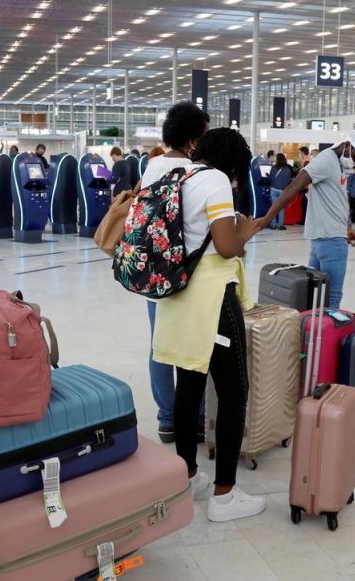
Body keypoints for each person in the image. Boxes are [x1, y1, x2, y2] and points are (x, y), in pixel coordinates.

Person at [151, 127, 264, 523]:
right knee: (234, 391)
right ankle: (225, 496)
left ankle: (190, 476)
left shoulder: (179, 175)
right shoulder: (216, 181)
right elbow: (226, 245)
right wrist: (244, 233)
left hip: (178, 296)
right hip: (212, 297)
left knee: (189, 386)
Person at [140, 102, 210, 444]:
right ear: (193, 139)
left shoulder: (151, 166)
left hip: (151, 270)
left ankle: (166, 418)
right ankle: (193, 416)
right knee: (191, 345)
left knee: (160, 346)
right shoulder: (195, 171)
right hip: (184, 271)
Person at [258, 132, 355, 307]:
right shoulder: (327, 160)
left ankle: (314, 332)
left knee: (315, 294)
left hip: (324, 238)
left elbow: (336, 199)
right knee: (332, 297)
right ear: (347, 145)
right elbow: (294, 186)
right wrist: (267, 219)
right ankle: (326, 333)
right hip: (331, 240)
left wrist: (346, 228)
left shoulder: (338, 164)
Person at [268, 153, 293, 231]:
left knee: (274, 207)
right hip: (283, 191)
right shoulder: (288, 169)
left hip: (274, 189)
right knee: (281, 208)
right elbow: (289, 181)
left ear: (277, 159)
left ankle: (273, 224)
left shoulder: (273, 168)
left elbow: (270, 179)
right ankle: (281, 225)